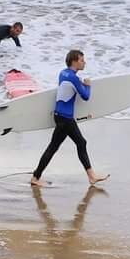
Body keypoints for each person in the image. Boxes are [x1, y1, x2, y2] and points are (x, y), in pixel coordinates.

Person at [31, 49, 104, 188]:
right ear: (74, 61)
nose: (84, 62)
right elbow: (85, 96)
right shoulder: (74, 78)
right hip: (65, 119)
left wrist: (80, 83)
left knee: (54, 147)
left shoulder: (63, 73)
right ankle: (91, 176)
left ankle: (36, 176)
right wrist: (88, 85)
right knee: (81, 143)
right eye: (82, 60)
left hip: (60, 116)